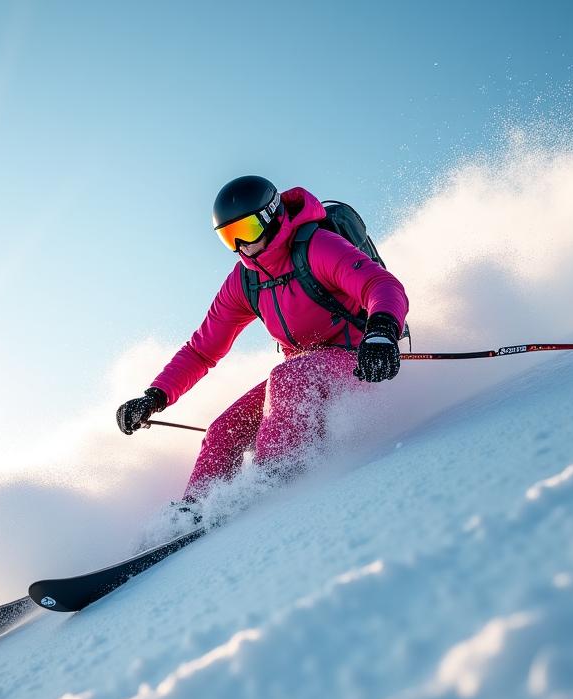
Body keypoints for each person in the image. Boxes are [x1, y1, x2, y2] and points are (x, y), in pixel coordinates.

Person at [116, 176, 410, 501]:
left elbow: (382, 286)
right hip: (300, 381)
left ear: (270, 216)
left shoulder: (317, 247)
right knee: (222, 432)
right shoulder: (246, 280)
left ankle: (269, 484)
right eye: (230, 237)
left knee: (287, 376)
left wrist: (381, 332)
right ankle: (190, 514)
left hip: (361, 362)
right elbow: (202, 350)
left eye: (248, 230)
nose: (241, 245)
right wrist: (155, 396)